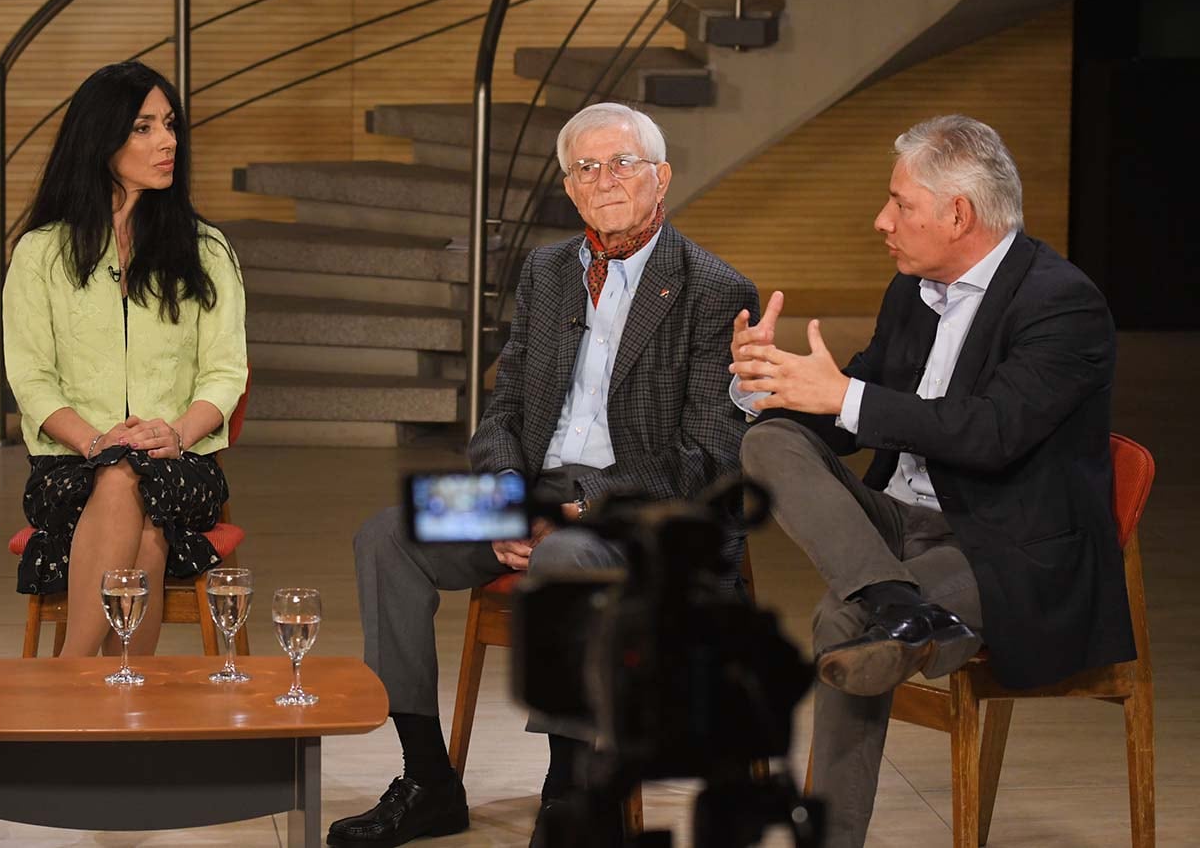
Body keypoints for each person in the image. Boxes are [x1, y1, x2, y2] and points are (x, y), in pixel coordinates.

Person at [328, 102, 759, 848]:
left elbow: (707, 457)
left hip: (639, 512)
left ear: (661, 178)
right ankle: (428, 779)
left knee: (563, 557)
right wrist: (512, 499)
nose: (605, 180)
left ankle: (570, 793)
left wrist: (575, 511)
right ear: (569, 187)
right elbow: (502, 409)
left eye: (621, 163)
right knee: (389, 535)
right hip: (530, 494)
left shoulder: (714, 289)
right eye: (586, 168)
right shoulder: (547, 269)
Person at [731, 114, 1135, 847]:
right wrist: (772, 386)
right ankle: (900, 603)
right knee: (770, 443)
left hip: (1002, 543)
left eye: (901, 203)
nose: (883, 220)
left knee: (840, 626)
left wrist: (845, 396)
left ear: (958, 213)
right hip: (896, 523)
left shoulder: (1062, 303)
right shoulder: (910, 289)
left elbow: (989, 433)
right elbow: (849, 415)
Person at [3, 61, 247, 658]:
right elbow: (31, 377)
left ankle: (70, 679)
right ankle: (122, 706)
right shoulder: (40, 254)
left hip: (182, 461)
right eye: (143, 127)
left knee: (132, 481)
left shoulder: (207, 251)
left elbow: (226, 371)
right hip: (69, 463)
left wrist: (175, 433)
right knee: (134, 513)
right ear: (100, 138)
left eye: (169, 125)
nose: (167, 141)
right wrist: (96, 440)